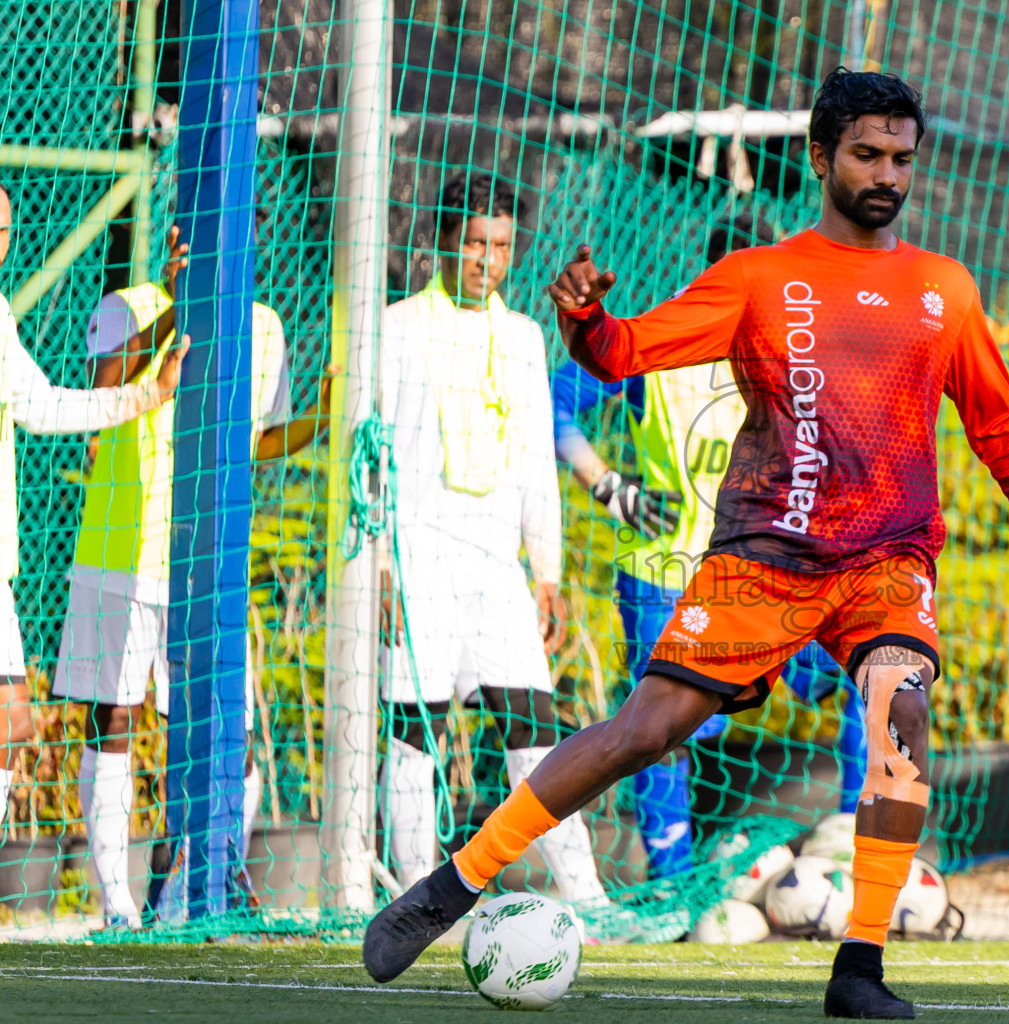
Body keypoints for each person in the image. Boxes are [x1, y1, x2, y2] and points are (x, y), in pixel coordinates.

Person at [363, 69, 1009, 1018]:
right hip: (765, 557)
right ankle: (453, 885)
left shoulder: (943, 290)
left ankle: (860, 968)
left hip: (887, 561)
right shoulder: (761, 277)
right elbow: (624, 353)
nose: (887, 174)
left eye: (902, 159)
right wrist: (587, 317)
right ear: (820, 156)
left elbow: (1000, 429)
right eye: (867, 155)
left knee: (902, 711)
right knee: (646, 732)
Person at [550, 211, 866, 879]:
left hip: (775, 577)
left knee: (878, 670)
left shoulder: (804, 360)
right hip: (668, 572)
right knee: (660, 736)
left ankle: (851, 847)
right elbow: (553, 404)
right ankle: (673, 889)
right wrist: (610, 488)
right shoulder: (661, 344)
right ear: (718, 277)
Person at [51, 222, 327, 926]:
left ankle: (202, 883)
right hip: (120, 554)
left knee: (223, 730)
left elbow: (261, 441)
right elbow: (106, 392)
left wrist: (322, 416)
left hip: (208, 560)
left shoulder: (264, 325)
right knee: (114, 717)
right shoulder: (128, 305)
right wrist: (181, 303)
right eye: (187, 234)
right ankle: (116, 905)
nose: (202, 245)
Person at [374, 170, 608, 907]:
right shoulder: (398, 324)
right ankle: (414, 889)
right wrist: (377, 563)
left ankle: (586, 893)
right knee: (417, 727)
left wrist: (547, 567)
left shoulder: (524, 335)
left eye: (501, 245)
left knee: (533, 721)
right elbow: (369, 453)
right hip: (418, 552)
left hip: (497, 565)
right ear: (443, 242)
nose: (488, 259)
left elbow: (539, 456)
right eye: (474, 242)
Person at [0, 183, 189, 833]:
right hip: (112, 565)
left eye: (2, 232)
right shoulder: (124, 305)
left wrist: (150, 397)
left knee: (12, 722)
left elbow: (47, 406)